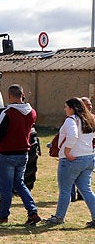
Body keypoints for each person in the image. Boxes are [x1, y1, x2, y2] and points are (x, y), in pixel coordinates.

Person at [0, 84, 41, 225]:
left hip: (7, 154)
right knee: (20, 184)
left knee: (5, 187)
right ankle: (32, 212)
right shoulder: (32, 112)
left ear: (9, 96)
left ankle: (3, 215)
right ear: (22, 95)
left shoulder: (7, 113)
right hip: (23, 153)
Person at [45, 97, 95, 226]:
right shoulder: (89, 120)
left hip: (73, 159)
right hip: (88, 157)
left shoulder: (71, 120)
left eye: (66, 107)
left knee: (65, 190)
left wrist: (67, 151)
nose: (65, 109)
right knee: (86, 189)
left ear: (72, 109)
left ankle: (59, 217)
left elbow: (72, 135)